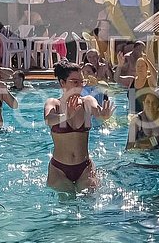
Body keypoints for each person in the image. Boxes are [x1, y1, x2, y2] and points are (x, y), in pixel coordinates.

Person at [43, 62, 112, 192]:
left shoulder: (87, 101)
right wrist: (66, 115)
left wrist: (103, 115)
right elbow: (48, 119)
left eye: (82, 82)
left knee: (90, 202)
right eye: (75, 82)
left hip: (85, 168)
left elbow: (97, 110)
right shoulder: (54, 103)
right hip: (59, 169)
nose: (80, 86)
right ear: (62, 83)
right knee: (66, 202)